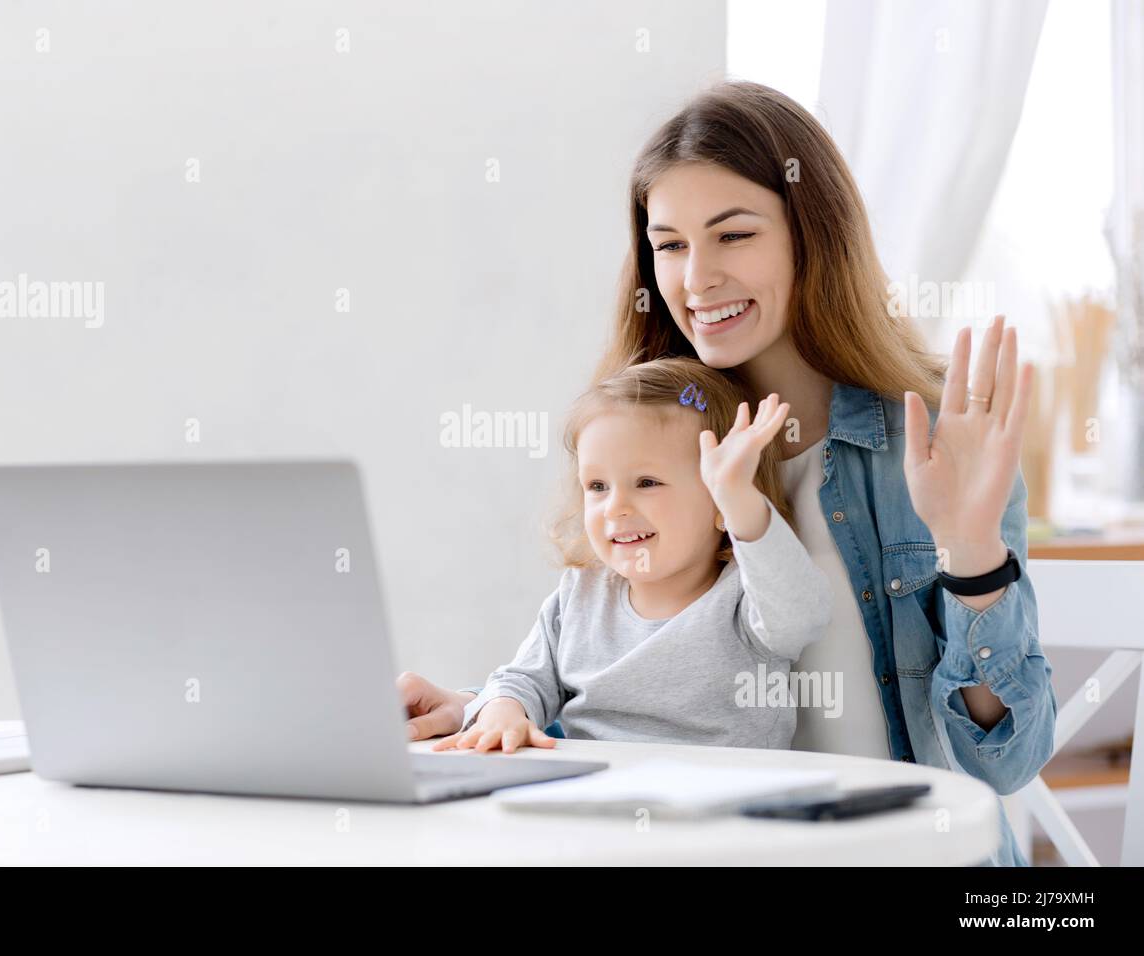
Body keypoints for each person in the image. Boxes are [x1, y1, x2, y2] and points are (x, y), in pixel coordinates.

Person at [398, 81, 1054, 867]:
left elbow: (1003, 762)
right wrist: (491, 710)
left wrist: (973, 550)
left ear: (813, 236)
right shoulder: (648, 447)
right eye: (669, 244)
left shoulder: (927, 443)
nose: (696, 278)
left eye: (732, 235)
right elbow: (657, 711)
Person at [434, 357, 830, 753]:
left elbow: (801, 615)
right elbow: (525, 678)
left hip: (718, 798)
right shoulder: (581, 594)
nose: (615, 507)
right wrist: (504, 709)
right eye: (598, 486)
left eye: (646, 482)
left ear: (718, 505)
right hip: (593, 791)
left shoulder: (745, 600)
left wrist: (740, 499)